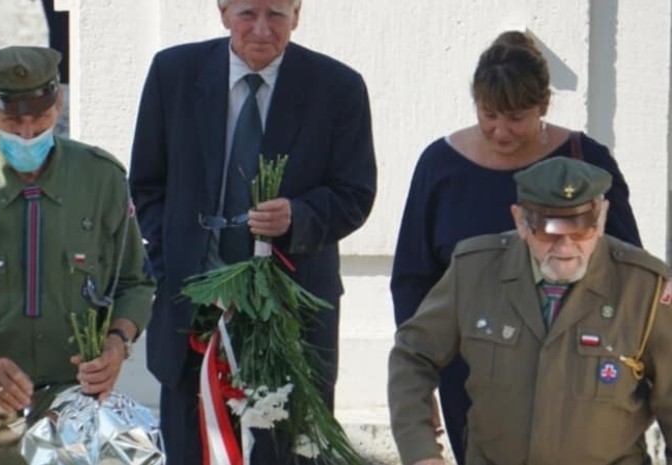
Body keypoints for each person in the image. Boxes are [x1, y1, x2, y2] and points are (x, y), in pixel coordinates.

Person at [129, 0, 377, 464]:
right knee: (192, 449)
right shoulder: (173, 74)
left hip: (292, 315)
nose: (262, 29)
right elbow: (146, 186)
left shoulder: (338, 87)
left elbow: (355, 193)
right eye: (248, 13)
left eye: (276, 14)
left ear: (297, 14)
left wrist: (298, 216)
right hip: (193, 315)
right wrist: (179, 267)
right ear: (223, 12)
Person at [390, 30, 642, 463]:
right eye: (489, 114)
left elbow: (628, 267)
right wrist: (421, 381)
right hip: (471, 368)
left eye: (516, 117)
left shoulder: (586, 159)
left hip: (576, 362)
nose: (500, 131)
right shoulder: (440, 165)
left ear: (544, 105)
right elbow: (414, 279)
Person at [0, 46, 154, 465]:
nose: (27, 133)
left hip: (76, 406)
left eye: (39, 118)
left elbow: (135, 282)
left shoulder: (101, 179)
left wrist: (117, 344)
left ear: (58, 104)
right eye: (12, 121)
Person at [389, 156, 672, 465]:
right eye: (548, 232)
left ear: (602, 218)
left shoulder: (644, 287)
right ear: (520, 221)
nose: (565, 247)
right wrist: (421, 453)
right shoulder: (474, 270)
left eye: (580, 230)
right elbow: (413, 354)